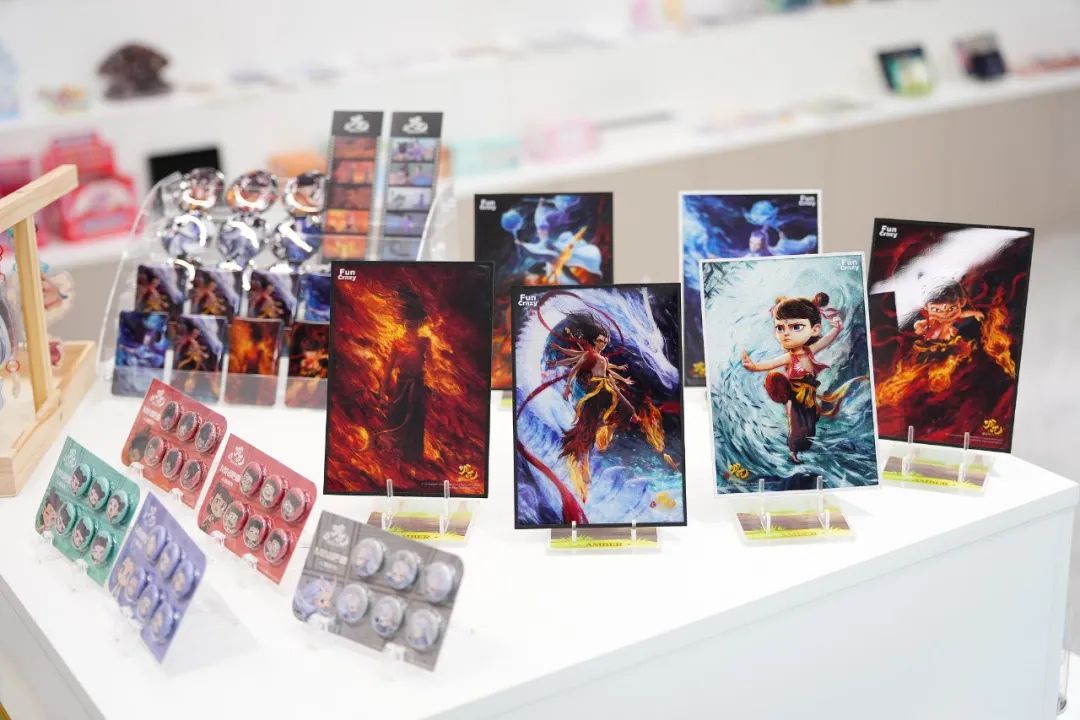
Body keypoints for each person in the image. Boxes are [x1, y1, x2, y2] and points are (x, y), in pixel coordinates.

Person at [741, 293, 864, 463]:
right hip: (795, 395)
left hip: (810, 393)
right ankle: (793, 451)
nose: (785, 333)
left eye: (796, 327)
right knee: (797, 424)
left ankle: (807, 442)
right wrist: (754, 367)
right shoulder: (790, 357)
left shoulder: (809, 350)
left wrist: (837, 329)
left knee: (811, 420)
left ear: (815, 330)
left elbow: (826, 341)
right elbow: (771, 364)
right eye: (780, 328)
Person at [376, 288, 430, 464]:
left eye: (414, 322)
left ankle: (413, 458)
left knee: (416, 420)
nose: (411, 325)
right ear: (404, 323)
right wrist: (382, 392)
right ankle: (391, 456)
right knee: (395, 417)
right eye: (408, 322)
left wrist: (432, 387)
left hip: (418, 386)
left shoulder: (425, 343)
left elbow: (432, 367)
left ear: (419, 323)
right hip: (401, 385)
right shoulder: (397, 343)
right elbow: (388, 369)